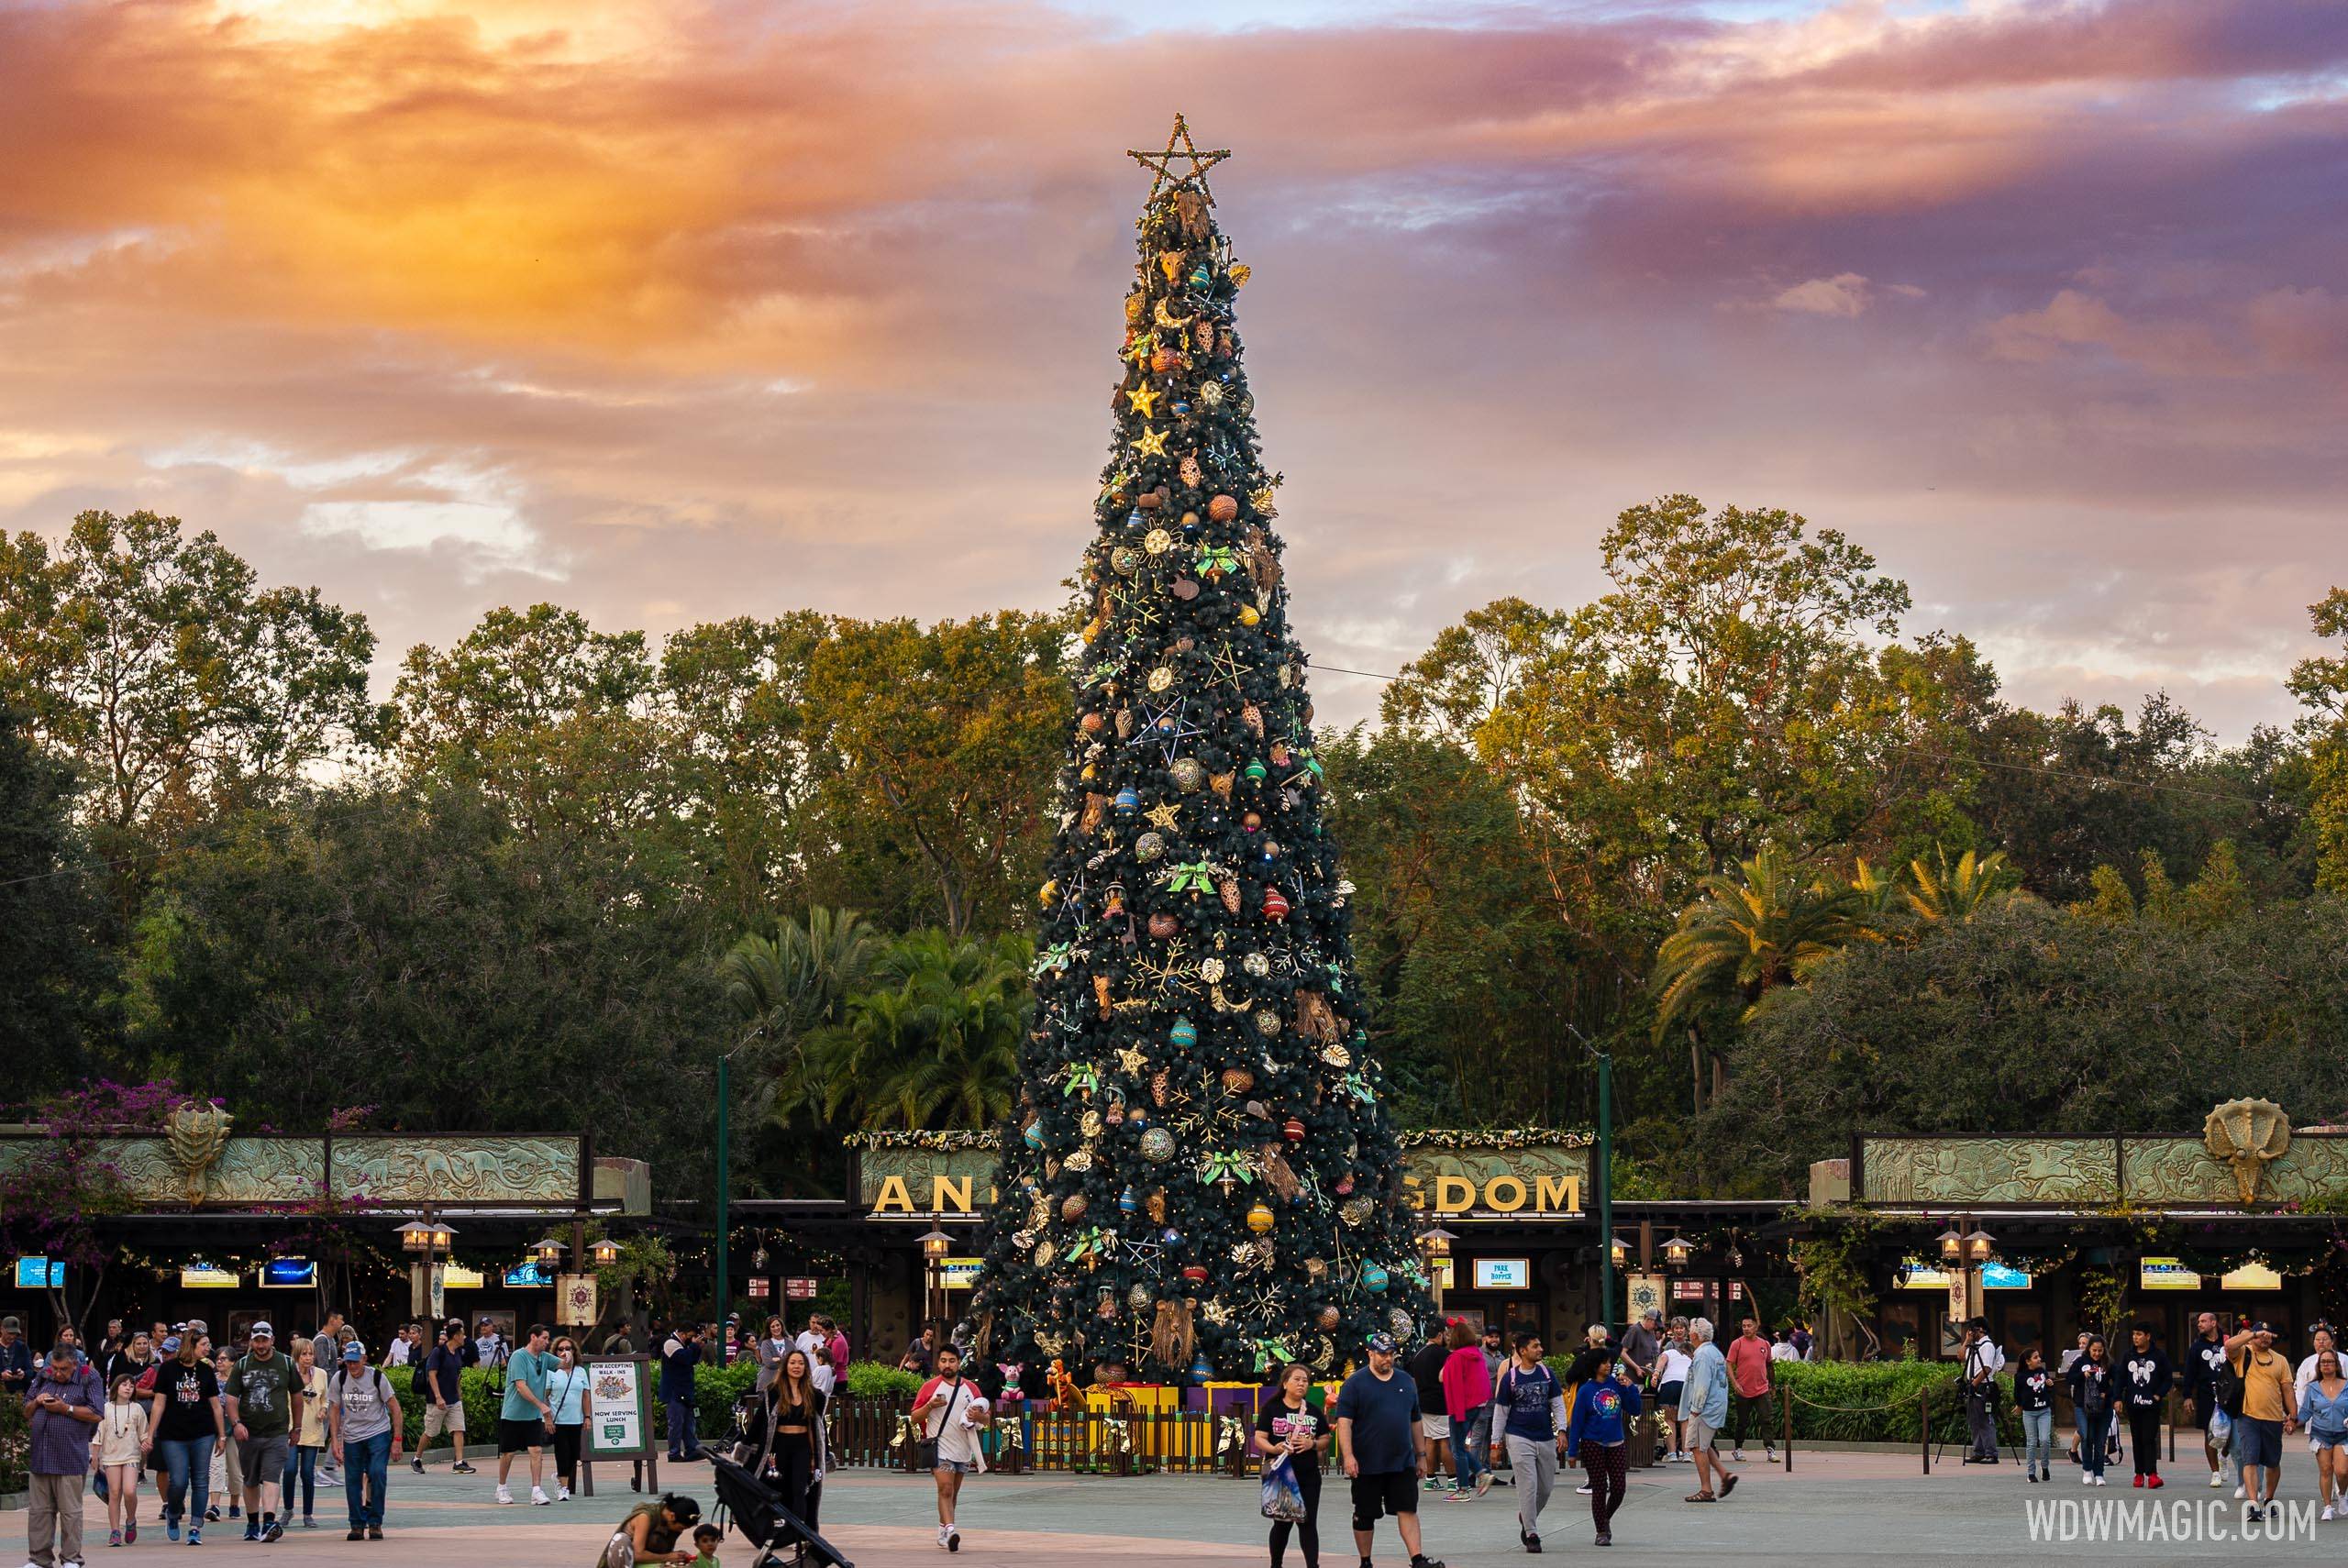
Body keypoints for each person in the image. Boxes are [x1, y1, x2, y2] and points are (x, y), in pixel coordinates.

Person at [1333, 1331, 1445, 1568]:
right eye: (1383, 1354)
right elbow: (1344, 1422)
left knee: (1407, 1509)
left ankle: (1417, 1559)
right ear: (1370, 1353)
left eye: (1391, 1354)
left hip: (1401, 1461)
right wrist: (1349, 1455)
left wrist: (1421, 1455)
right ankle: (1365, 1560)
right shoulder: (1355, 1383)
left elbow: (1415, 1420)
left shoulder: (1405, 1381)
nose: (1387, 1359)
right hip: (1367, 1462)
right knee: (1365, 1513)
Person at [740, 1347, 829, 1560]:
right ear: (786, 1366)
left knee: (800, 1490)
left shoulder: (814, 1395)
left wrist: (825, 1453)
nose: (796, 1366)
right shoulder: (774, 1391)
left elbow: (819, 1428)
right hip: (777, 1448)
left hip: (802, 1448)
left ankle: (801, 1533)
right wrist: (745, 1445)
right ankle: (775, 1533)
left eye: (800, 1363)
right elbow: (760, 1420)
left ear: (805, 1368)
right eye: (792, 1363)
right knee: (776, 1490)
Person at [24, 1342, 104, 1568]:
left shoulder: (89, 1377)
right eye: (55, 1368)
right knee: (39, 1512)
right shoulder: (44, 1375)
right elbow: (25, 1409)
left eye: (63, 1369)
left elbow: (97, 1413)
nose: (57, 1373)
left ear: (74, 1365)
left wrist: (65, 1408)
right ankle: (39, 1560)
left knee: (70, 1513)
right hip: (41, 1454)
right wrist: (37, 1401)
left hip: (69, 1455)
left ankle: (71, 1559)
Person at [1489, 1329, 1564, 1553]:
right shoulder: (1510, 1378)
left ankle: (1526, 1516)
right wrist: (1495, 1443)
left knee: (1546, 1488)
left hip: (1545, 1437)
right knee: (1527, 1486)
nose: (1540, 1349)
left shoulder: (1547, 1374)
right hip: (1518, 1436)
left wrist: (1562, 1430)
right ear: (1523, 1351)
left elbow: (1558, 1404)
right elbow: (1501, 1412)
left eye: (1540, 1345)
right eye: (1535, 1346)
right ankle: (1531, 1533)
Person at [911, 1342, 989, 1553]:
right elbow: (914, 1417)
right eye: (944, 1360)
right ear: (938, 1362)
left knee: (952, 1494)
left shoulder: (971, 1388)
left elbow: (987, 1419)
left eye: (952, 1361)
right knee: (945, 1488)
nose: (947, 1365)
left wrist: (978, 1416)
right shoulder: (930, 1388)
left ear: (958, 1363)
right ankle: (952, 1530)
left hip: (963, 1449)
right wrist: (930, 1406)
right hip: (939, 1447)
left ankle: (942, 1531)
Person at [224, 1319, 295, 1540]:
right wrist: (236, 1423)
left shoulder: (285, 1363)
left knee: (272, 1476)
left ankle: (270, 1521)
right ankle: (253, 1522)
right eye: (257, 1341)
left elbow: (297, 1396)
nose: (261, 1345)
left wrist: (297, 1427)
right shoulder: (242, 1365)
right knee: (250, 1479)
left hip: (277, 1432)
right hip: (249, 1432)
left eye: (265, 1340)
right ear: (251, 1342)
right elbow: (231, 1398)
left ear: (272, 1340)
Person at [150, 1332, 224, 1541]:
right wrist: (149, 1433)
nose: (207, 1348)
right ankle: (173, 1513)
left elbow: (216, 1406)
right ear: (190, 1346)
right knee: (179, 1481)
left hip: (203, 1432)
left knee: (201, 1480)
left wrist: (221, 1435)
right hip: (173, 1434)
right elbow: (159, 1403)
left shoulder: (206, 1370)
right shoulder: (168, 1369)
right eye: (203, 1344)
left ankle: (195, 1527)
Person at [327, 1340, 404, 1540]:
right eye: (348, 1362)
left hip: (378, 1433)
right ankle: (356, 1524)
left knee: (377, 1473)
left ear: (364, 1359)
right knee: (352, 1480)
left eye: (355, 1362)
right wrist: (335, 1440)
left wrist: (397, 1439)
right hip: (352, 1436)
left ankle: (375, 1521)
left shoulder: (377, 1377)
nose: (352, 1366)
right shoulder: (339, 1378)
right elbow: (334, 1409)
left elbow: (395, 1408)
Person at [1254, 1361, 1328, 1568]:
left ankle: (1313, 1565)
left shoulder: (1312, 1411)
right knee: (1282, 1523)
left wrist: (1311, 1443)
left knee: (1308, 1522)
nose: (1301, 1384)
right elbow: (1259, 1437)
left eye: (1305, 1381)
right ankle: (1276, 1563)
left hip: (1308, 1475)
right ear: (1285, 1383)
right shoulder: (1272, 1408)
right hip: (1282, 1474)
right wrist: (1274, 1448)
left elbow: (1325, 1439)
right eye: (1296, 1379)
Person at [1565, 1355, 1642, 1548]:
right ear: (1594, 1366)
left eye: (1610, 1362)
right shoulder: (1586, 1390)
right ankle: (1601, 1531)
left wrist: (1630, 1388)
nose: (1609, 1365)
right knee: (1599, 1487)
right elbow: (1577, 1422)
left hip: (1616, 1441)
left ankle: (1605, 1518)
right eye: (1604, 1362)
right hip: (1593, 1442)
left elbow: (1635, 1410)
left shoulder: (1617, 1385)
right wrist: (1572, 1451)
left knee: (1619, 1488)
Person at [2224, 1320, 2297, 1521]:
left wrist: (2293, 1415)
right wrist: (2252, 1334)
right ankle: (2253, 1504)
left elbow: (2288, 1389)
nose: (2265, 1338)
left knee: (2273, 1462)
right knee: (2251, 1460)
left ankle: (2269, 1499)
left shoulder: (2280, 1360)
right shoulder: (2243, 1354)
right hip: (2248, 1416)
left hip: (2274, 1418)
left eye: (2268, 1334)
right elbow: (2229, 1346)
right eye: (2261, 1334)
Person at [496, 1321, 558, 1506]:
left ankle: (536, 1491)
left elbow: (564, 1365)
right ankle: (501, 1487)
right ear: (533, 1337)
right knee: (508, 1453)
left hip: (532, 1416)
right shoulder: (518, 1357)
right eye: (544, 1338)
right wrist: (542, 1406)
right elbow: (521, 1386)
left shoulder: (545, 1357)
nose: (547, 1342)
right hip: (513, 1415)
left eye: (548, 1339)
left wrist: (569, 1355)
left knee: (536, 1450)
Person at [1678, 1318, 1736, 1504]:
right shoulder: (1715, 1352)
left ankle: (1706, 1490)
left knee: (1696, 1446)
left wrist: (1695, 1409)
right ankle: (1724, 1475)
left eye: (1690, 1333)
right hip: (1715, 1405)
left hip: (1705, 1408)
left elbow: (1702, 1385)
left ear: (1695, 1335)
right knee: (1704, 1444)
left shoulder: (1702, 1355)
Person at [1437, 1320, 1493, 1499]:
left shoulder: (1456, 1357)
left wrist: (1457, 1413)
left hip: (1461, 1407)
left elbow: (1450, 1384)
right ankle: (1481, 1473)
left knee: (1457, 1449)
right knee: (1459, 1446)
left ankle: (1463, 1489)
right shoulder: (1475, 1354)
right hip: (1477, 1405)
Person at [2179, 1309, 2233, 1489]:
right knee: (2209, 1433)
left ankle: (2224, 1455)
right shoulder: (2196, 1347)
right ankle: (2215, 1472)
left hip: (2229, 1394)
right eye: (2198, 1322)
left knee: (2232, 1433)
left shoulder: (2228, 1342)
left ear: (2213, 1323)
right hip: (2206, 1395)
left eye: (2203, 1321)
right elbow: (2190, 1373)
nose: (2199, 1324)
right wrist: (2187, 1396)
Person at [101, 1369, 151, 1546]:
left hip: (131, 1454)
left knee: (129, 1491)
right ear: (116, 1387)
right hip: (110, 1455)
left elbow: (144, 1432)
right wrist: (94, 1454)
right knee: (114, 1493)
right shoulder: (105, 1408)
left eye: (131, 1385)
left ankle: (131, 1520)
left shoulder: (137, 1408)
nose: (128, 1388)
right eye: (124, 1384)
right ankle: (115, 1531)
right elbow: (98, 1433)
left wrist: (146, 1442)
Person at [2298, 1347, 2348, 1520]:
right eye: (2323, 1362)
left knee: (2342, 1471)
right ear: (2319, 1366)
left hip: (2344, 1434)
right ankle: (2327, 1506)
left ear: (2337, 1365)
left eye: (2330, 1362)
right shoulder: (2312, 1387)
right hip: (2321, 1433)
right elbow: (2305, 1412)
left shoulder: (2347, 1384)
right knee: (2326, 1469)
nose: (2326, 1365)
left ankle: (2342, 1494)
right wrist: (2293, 1422)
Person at [2121, 1322, 2173, 1488]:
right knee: (2137, 1439)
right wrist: (2117, 1398)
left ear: (2148, 1336)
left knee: (2149, 1438)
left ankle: (2152, 1474)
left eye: (2139, 1334)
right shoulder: (2128, 1356)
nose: (2135, 1337)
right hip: (2133, 1404)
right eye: (2134, 1334)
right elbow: (2121, 1378)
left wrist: (2159, 1394)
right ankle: (2138, 1474)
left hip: (2151, 1405)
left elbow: (2167, 1378)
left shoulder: (2158, 1356)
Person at [283, 1340, 327, 1528]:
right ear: (296, 1356)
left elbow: (326, 1398)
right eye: (304, 1354)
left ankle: (308, 1514)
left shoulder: (321, 1374)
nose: (308, 1358)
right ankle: (287, 1509)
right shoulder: (288, 1373)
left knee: (308, 1473)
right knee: (290, 1469)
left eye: (311, 1354)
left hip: (313, 1428)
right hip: (291, 1429)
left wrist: (323, 1409)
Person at [1407, 1326, 1456, 1492]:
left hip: (1423, 1402)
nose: (1447, 1338)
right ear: (1440, 1335)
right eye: (1446, 1334)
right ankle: (1453, 1479)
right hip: (1441, 1403)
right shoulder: (1444, 1355)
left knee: (1430, 1439)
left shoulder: (1419, 1354)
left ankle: (1430, 1478)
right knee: (1445, 1440)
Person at [598, 1492, 701, 1568]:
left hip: (648, 1564)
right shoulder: (645, 1517)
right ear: (672, 1516)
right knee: (621, 1539)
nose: (681, 1531)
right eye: (681, 1528)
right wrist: (668, 1557)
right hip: (628, 1562)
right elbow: (638, 1555)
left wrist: (678, 1556)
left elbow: (660, 1552)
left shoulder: (670, 1525)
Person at [1723, 1317, 1776, 1463]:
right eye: (1744, 1326)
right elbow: (1729, 1364)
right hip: (1743, 1390)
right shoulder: (1737, 1344)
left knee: (1766, 1419)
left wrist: (1773, 1386)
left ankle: (1770, 1449)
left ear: (1756, 1327)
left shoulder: (1764, 1344)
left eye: (1749, 1326)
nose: (1746, 1328)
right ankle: (1738, 1448)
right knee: (1742, 1422)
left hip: (1762, 1389)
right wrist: (1735, 1383)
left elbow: (1769, 1365)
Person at [2066, 1335, 2116, 1486]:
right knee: (2086, 1435)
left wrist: (2107, 1394)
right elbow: (2069, 1378)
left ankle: (2099, 1473)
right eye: (2094, 1350)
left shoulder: (2109, 1363)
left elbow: (2118, 1382)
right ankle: (2087, 1469)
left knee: (2100, 1441)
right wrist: (2083, 1375)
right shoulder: (2081, 1361)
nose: (2097, 1354)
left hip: (2103, 1407)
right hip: (2083, 1406)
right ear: (2089, 1349)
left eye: (2100, 1350)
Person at [549, 1335, 589, 1501]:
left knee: (574, 1454)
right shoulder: (551, 1371)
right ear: (555, 1352)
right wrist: (547, 1418)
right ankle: (563, 1488)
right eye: (561, 1349)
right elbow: (545, 1395)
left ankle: (559, 1475)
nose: (564, 1352)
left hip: (576, 1419)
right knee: (562, 1453)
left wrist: (587, 1417)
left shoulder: (580, 1371)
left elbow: (585, 1395)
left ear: (574, 1351)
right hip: (558, 1420)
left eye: (568, 1348)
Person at [1959, 1318, 2003, 1464]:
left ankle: (1991, 1453)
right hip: (1972, 1384)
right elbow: (1960, 1356)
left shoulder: (1987, 1346)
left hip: (1983, 1386)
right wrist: (1966, 1341)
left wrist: (1974, 1384)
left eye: (1973, 1329)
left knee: (1985, 1420)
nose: (1971, 1332)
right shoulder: (1974, 1345)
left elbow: (1987, 1368)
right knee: (1974, 1420)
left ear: (1981, 1329)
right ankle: (1979, 1451)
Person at [659, 1322, 704, 1463]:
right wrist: (694, 1346)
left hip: (684, 1390)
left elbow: (691, 1360)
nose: (691, 1339)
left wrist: (696, 1348)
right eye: (690, 1336)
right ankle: (674, 1453)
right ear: (683, 1333)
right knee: (676, 1423)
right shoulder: (670, 1343)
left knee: (688, 1422)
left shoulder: (684, 1345)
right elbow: (684, 1358)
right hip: (674, 1391)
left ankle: (692, 1450)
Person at [2013, 1348, 2056, 1482]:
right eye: (2035, 1357)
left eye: (2039, 1356)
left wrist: (2049, 1384)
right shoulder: (2020, 1376)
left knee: (2044, 1440)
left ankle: (2045, 1467)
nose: (2039, 1359)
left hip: (2044, 1411)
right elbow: (2017, 1394)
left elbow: (2047, 1386)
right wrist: (2019, 1406)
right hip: (2029, 1413)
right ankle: (2031, 1473)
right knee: (2031, 1442)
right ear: (2027, 1361)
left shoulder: (2042, 1372)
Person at [1655, 1321, 1693, 1463]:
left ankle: (1671, 1453)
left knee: (1668, 1419)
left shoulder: (1667, 1352)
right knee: (1686, 1420)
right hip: (1687, 1384)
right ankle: (1687, 1453)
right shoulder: (1691, 1353)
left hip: (1669, 1384)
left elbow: (1660, 1364)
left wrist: (1655, 1375)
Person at [756, 1316, 792, 1394]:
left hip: (786, 1384)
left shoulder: (790, 1343)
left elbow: (793, 1361)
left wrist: (778, 1359)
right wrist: (786, 1360)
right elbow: (769, 1363)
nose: (776, 1328)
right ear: (769, 1329)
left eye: (778, 1325)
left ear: (781, 1326)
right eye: (773, 1326)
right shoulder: (765, 1343)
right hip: (767, 1384)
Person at [0, 1315, 32, 1399]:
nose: (12, 1336)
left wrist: (23, 1374)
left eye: (15, 1334)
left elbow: (30, 1371)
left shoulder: (22, 1347)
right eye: (10, 1333)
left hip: (18, 1393)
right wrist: (1, 1376)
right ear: (2, 1329)